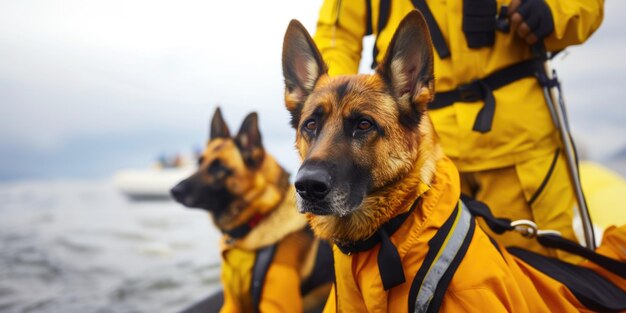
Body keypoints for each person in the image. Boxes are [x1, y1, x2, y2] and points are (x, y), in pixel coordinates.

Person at [313, 0, 603, 262]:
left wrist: (553, 11)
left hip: (520, 148)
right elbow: (337, 35)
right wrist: (334, 112)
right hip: (427, 159)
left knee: (545, 277)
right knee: (425, 284)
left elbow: (586, 6)